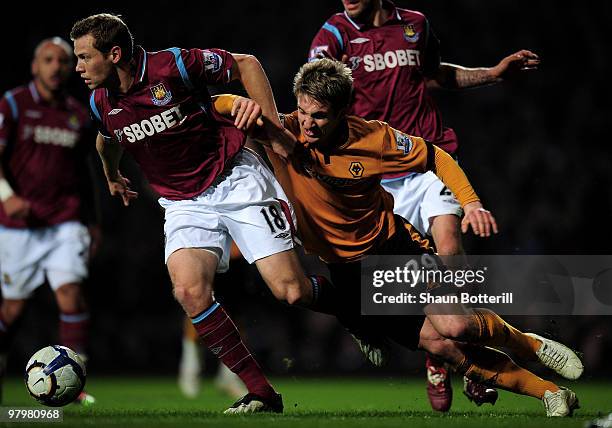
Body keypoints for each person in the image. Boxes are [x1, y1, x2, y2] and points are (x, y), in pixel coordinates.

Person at [220, 58, 581, 417]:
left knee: (455, 325)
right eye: (302, 111)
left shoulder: (374, 138)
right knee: (443, 346)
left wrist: (470, 203)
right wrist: (238, 103)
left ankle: (530, 345)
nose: (307, 124)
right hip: (348, 271)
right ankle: (552, 393)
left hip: (392, 247)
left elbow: (436, 156)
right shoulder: (280, 131)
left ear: (343, 111)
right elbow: (216, 104)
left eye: (319, 116)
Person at [70, 13, 341, 414]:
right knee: (189, 291)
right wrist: (112, 175)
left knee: (291, 291)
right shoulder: (99, 102)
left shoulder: (174, 65)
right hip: (183, 202)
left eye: (84, 57)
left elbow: (246, 63)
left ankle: (357, 309)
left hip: (234, 178)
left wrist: (274, 132)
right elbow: (107, 140)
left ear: (114, 54)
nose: (78, 67)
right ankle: (262, 394)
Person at [308, 0, 540, 411]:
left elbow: (436, 76)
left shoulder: (415, 24)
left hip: (422, 159)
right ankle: (444, 352)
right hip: (372, 174)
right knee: (399, 281)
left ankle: (456, 351)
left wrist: (493, 74)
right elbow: (316, 97)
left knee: (449, 247)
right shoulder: (333, 36)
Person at [0, 37, 97, 405]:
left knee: (71, 295)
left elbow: (84, 173)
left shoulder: (76, 113)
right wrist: (7, 196)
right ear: (34, 66)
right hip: (18, 226)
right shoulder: (13, 104)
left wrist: (94, 221)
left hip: (65, 220)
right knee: (12, 309)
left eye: (63, 60)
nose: (56, 67)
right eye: (48, 60)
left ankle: (73, 386)